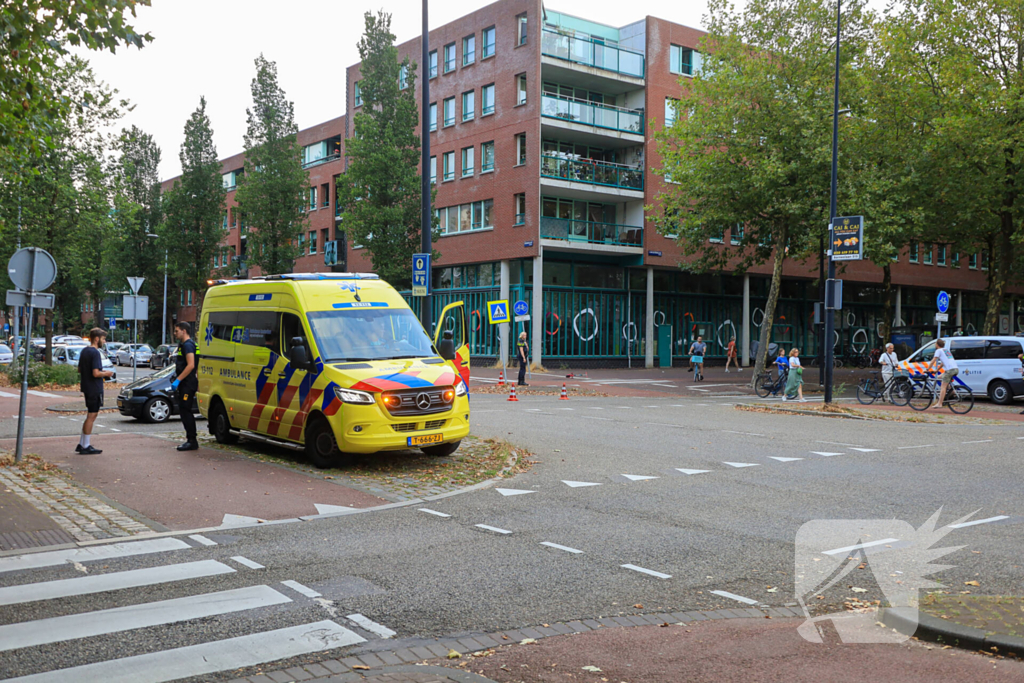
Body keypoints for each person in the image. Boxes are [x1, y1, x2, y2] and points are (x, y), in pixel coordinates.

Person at [77, 328, 113, 454]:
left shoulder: (84, 351)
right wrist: (106, 373)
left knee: (89, 416)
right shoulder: (95, 353)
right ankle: (85, 446)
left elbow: (80, 370)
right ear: (97, 339)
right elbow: (96, 373)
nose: (104, 341)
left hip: (87, 387)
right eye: (103, 339)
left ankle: (82, 443)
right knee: (92, 416)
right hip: (94, 388)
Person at [172, 322, 199, 451]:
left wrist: (178, 380)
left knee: (186, 410)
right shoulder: (185, 345)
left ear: (184, 331)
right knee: (184, 410)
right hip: (187, 383)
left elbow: (191, 365)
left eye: (176, 331)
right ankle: (191, 439)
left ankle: (192, 440)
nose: (174, 333)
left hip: (187, 384)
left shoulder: (188, 346)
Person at [927, 338, 958, 410]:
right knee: (939, 377)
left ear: (937, 345)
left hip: (950, 370)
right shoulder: (946, 350)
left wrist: (927, 369)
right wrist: (936, 370)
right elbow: (942, 363)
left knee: (943, 386)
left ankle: (940, 403)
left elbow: (933, 361)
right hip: (955, 369)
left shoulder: (938, 350)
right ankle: (951, 390)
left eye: (935, 344)